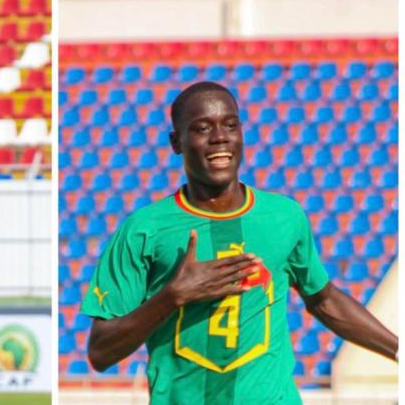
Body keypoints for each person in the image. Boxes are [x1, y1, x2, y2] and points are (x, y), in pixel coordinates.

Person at [81, 81, 397, 404]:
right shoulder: (143, 230)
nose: (219, 137)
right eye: (202, 128)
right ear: (176, 142)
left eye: (230, 125)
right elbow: (101, 352)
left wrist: (398, 349)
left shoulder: (285, 217)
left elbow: (324, 300)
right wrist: (172, 296)